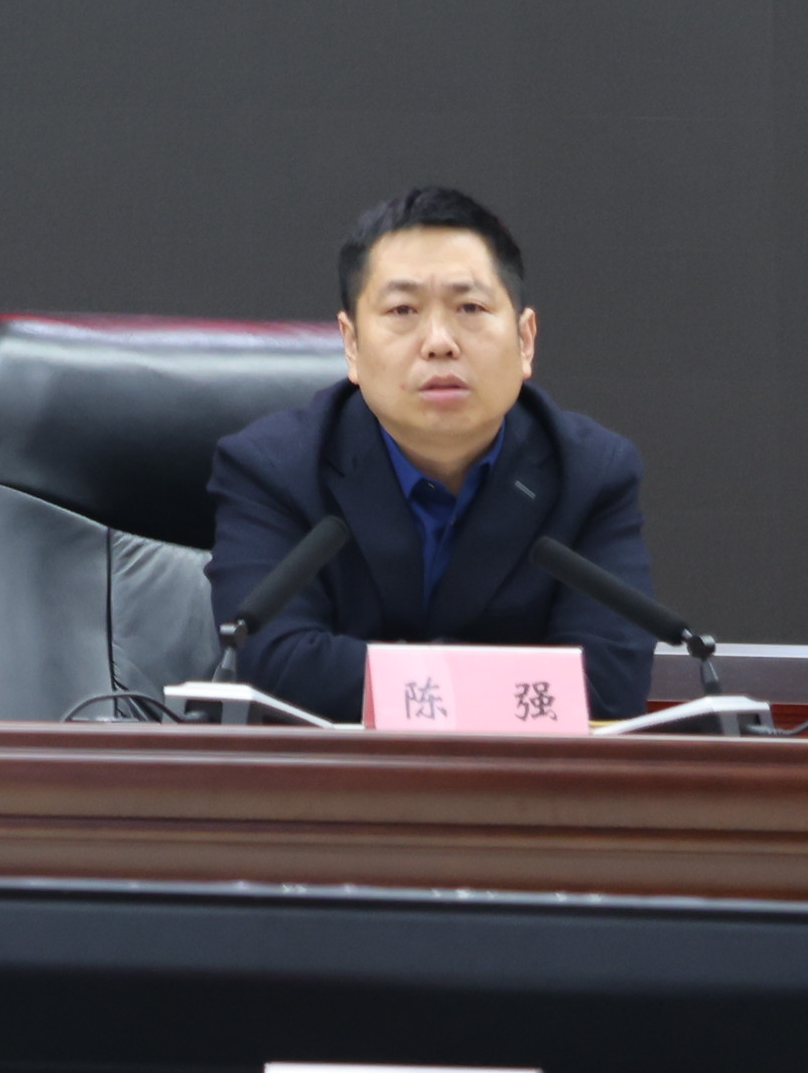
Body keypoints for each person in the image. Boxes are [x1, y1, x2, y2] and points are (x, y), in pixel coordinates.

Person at [204, 185, 659, 723]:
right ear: (351, 344)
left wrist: (405, 678)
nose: (440, 341)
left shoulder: (591, 473)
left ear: (525, 340)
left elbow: (608, 686)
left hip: (518, 778)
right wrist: (494, 681)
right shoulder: (273, 469)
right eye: (403, 309)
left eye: (470, 308)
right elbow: (273, 668)